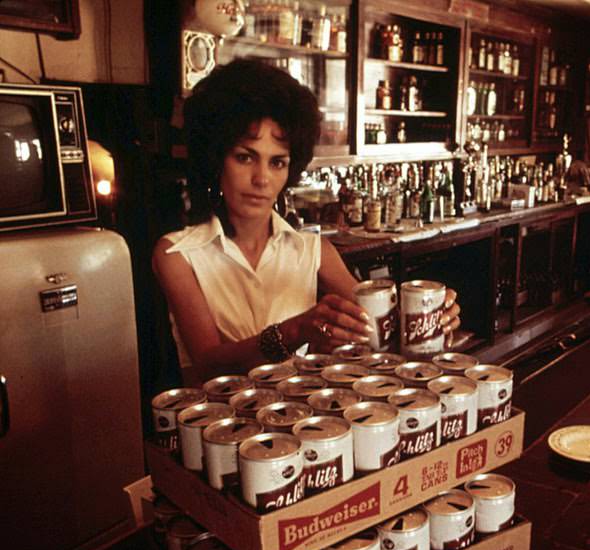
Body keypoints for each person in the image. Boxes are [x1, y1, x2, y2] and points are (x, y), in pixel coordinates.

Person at [153, 59, 460, 385]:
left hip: (300, 421)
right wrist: (295, 330)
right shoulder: (178, 253)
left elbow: (381, 328)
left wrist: (426, 318)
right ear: (215, 159)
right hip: (218, 426)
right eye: (245, 157)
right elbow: (208, 363)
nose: (262, 179)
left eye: (278, 162)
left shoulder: (314, 250)